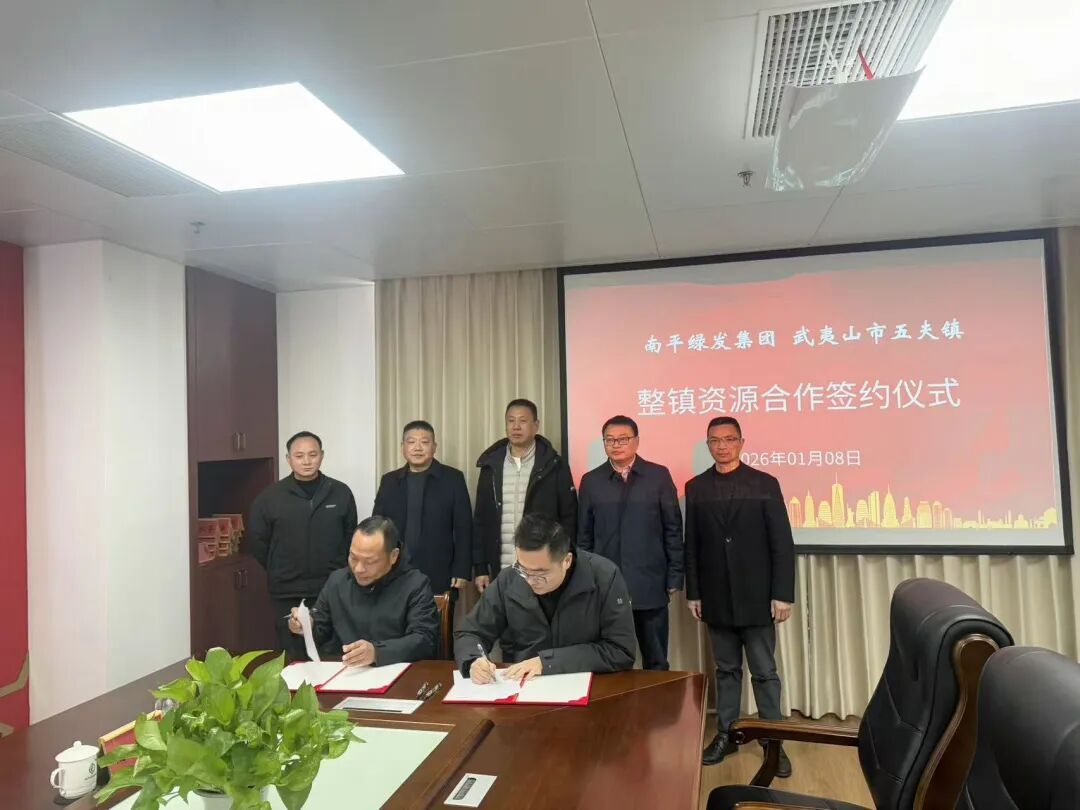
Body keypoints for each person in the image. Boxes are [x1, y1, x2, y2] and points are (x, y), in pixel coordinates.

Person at [685, 416, 796, 776]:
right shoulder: (696, 487)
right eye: (715, 441)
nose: (722, 446)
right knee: (726, 670)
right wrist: (694, 592)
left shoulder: (764, 484)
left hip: (758, 595)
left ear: (741, 443)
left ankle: (773, 742)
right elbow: (692, 545)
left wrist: (782, 594)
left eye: (729, 439)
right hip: (715, 595)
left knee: (764, 672)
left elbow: (782, 544)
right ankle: (727, 734)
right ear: (708, 445)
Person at [454, 513, 636, 683]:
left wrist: (547, 662)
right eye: (523, 569)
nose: (530, 580)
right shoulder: (509, 579)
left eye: (540, 574)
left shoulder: (604, 577)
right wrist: (473, 660)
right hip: (523, 687)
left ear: (567, 561)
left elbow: (620, 651)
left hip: (589, 685)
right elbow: (471, 632)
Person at [578, 415, 683, 670]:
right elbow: (584, 536)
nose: (616, 445)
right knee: (610, 660)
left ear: (636, 441)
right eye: (610, 440)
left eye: (623, 439)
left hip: (650, 582)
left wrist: (674, 576)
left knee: (656, 660)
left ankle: (657, 698)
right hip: (606, 585)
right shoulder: (591, 481)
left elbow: (673, 529)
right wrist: (584, 579)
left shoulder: (658, 476)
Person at [249, 431, 358, 661]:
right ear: (288, 459)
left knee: (333, 656)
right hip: (287, 590)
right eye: (299, 456)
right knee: (293, 659)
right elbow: (258, 543)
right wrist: (279, 566)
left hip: (330, 589)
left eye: (312, 454)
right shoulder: (270, 497)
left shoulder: (340, 492)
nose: (306, 461)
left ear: (322, 456)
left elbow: (351, 538)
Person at [289, 516, 439, 665]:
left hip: (397, 672)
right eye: (353, 558)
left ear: (393, 556)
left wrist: (377, 653)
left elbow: (424, 640)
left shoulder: (415, 584)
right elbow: (321, 628)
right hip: (344, 671)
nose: (358, 569)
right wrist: (306, 625)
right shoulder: (337, 581)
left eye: (370, 561)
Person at [472, 399, 577, 593]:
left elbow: (569, 519)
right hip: (500, 569)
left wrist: (564, 564)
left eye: (523, 421)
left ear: (536, 426)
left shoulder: (554, 465)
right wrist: (480, 568)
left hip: (542, 568)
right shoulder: (491, 466)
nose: (516, 427)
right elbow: (480, 520)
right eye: (511, 421)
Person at [372, 420, 472, 595]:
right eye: (411, 442)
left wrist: (461, 570)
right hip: (394, 571)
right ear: (403, 447)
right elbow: (378, 526)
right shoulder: (389, 481)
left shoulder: (453, 479)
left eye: (424, 442)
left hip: (439, 571)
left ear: (434, 447)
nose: (417, 448)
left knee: (436, 613)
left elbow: (464, 528)